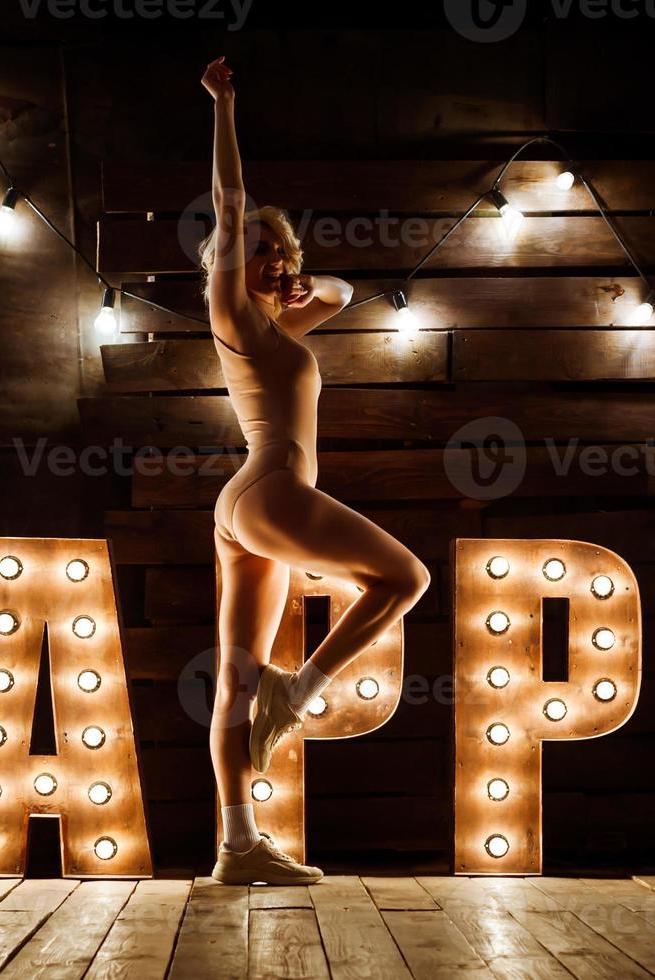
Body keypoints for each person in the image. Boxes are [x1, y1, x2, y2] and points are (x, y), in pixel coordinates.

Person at [198, 56, 431, 886]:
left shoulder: (279, 328)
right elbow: (229, 208)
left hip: (249, 508)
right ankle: (298, 698)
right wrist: (225, 107)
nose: (267, 259)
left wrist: (303, 282)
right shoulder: (232, 317)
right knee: (405, 578)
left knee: (234, 678)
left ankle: (236, 847)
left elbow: (340, 287)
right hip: (270, 493)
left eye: (276, 250)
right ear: (228, 261)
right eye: (255, 251)